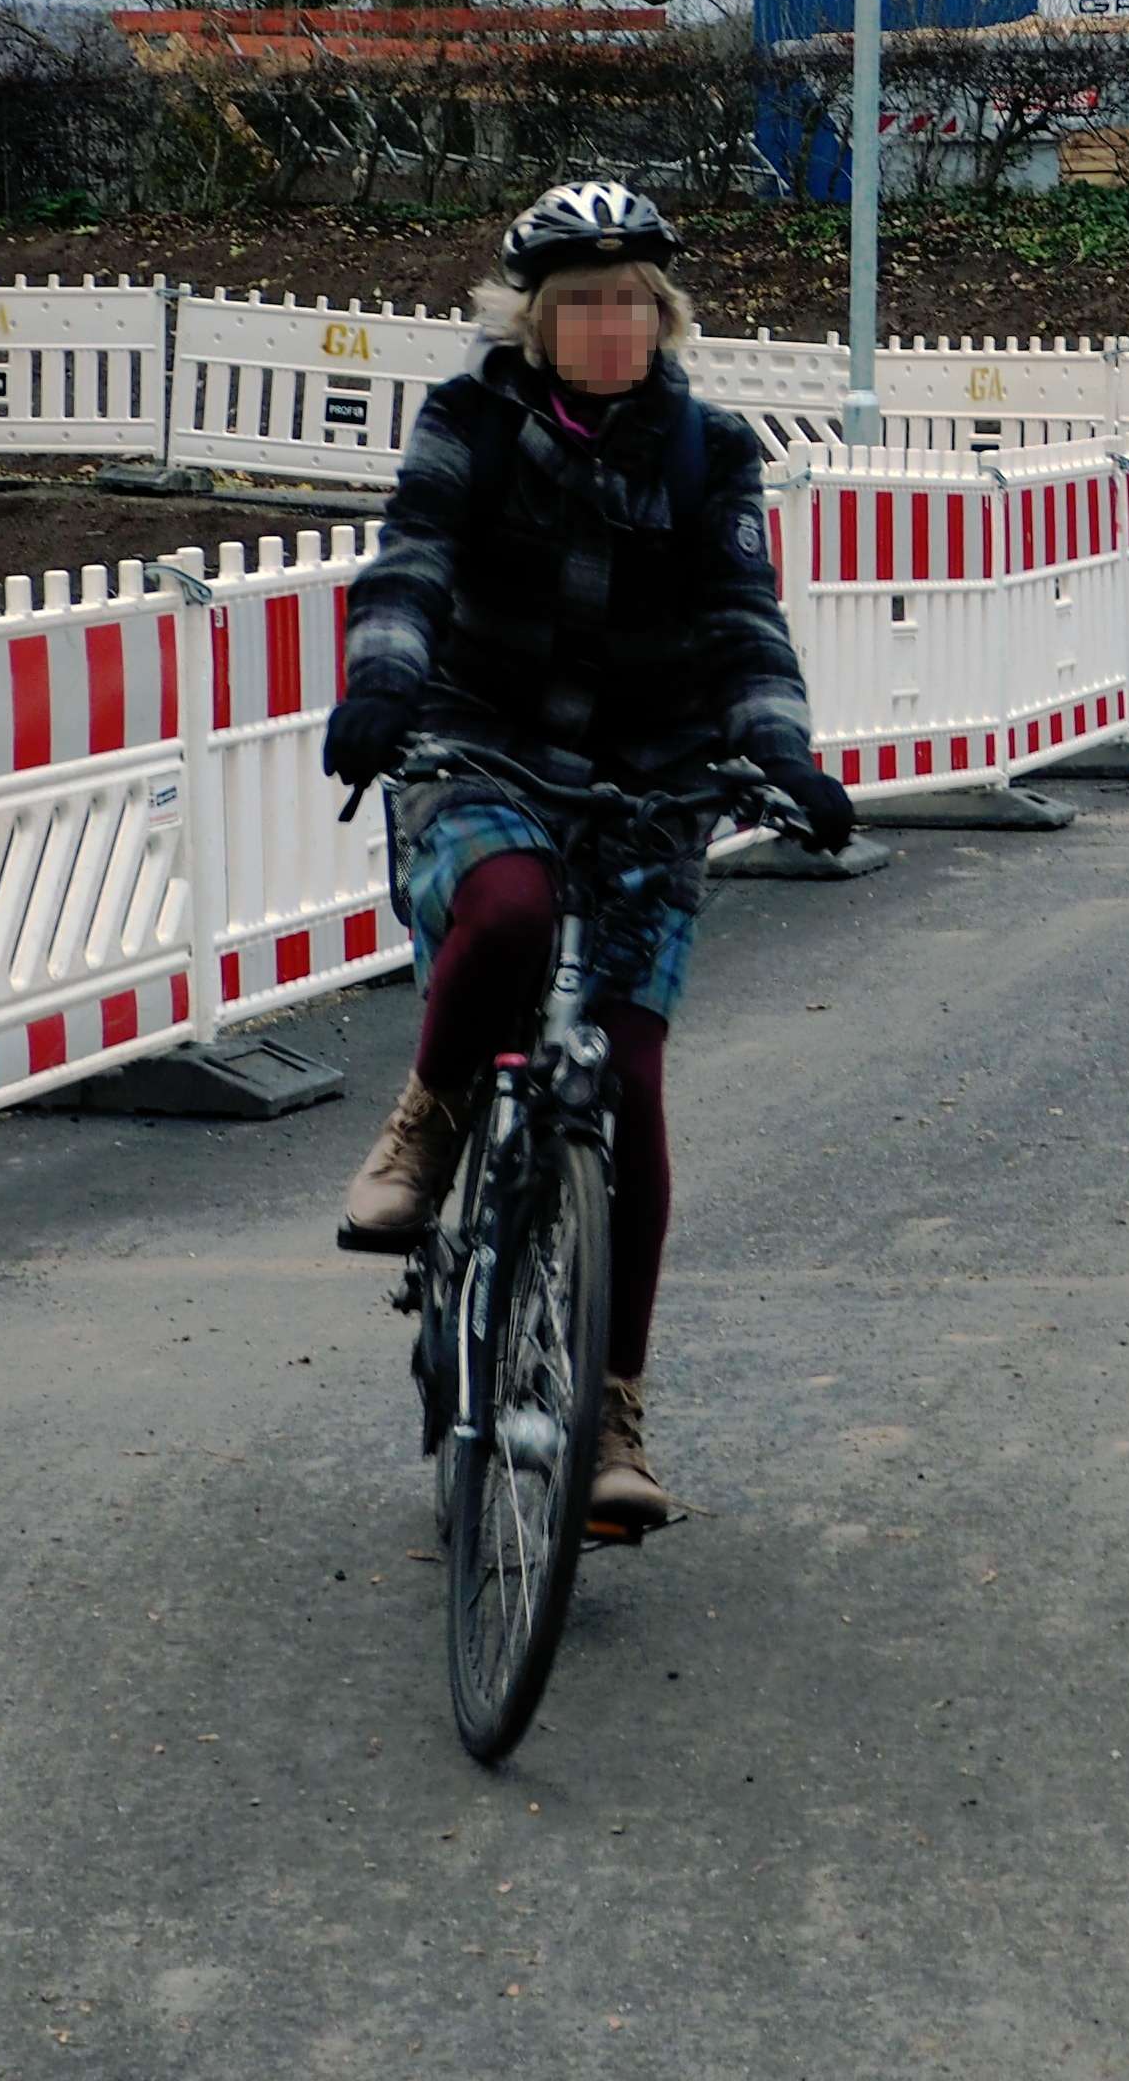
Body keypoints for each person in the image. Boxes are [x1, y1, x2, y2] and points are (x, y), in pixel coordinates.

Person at [316, 180, 858, 1536]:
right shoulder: (471, 423)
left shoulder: (708, 454)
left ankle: (611, 1406)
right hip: (481, 750)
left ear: (663, 320)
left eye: (635, 304)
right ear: (536, 321)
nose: (613, 326)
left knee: (627, 1077)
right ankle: (430, 1116)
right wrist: (384, 686)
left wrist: (784, 755)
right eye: (584, 306)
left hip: (652, 781)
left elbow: (746, 622)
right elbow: (411, 567)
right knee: (502, 914)